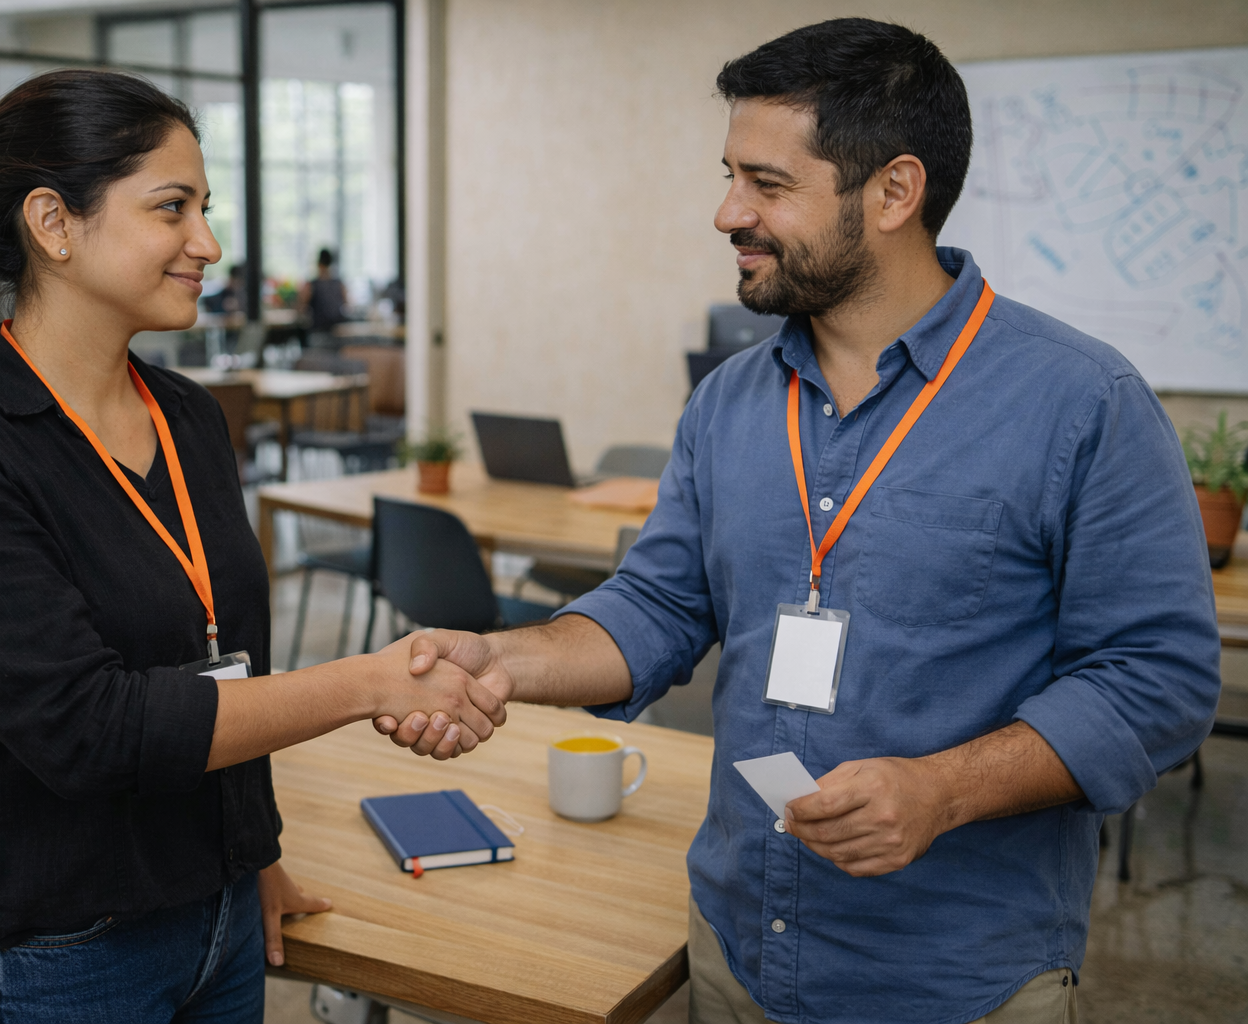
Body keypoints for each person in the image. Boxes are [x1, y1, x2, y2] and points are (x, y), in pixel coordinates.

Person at [376, 18, 1220, 1024]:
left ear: (894, 192)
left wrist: (943, 790)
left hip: (958, 980)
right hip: (736, 951)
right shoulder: (731, 402)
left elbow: (1158, 678)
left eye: (768, 184)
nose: (728, 210)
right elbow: (655, 606)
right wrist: (502, 660)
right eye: (730, 174)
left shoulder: (1084, 404)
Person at [0, 69, 502, 1023]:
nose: (207, 244)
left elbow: (219, 660)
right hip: (47, 948)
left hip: (219, 918)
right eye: (173, 209)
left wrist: (256, 855)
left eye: (203, 208)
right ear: (54, 223)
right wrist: (371, 682)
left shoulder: (188, 416)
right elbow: (89, 729)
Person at [299, 247, 349, 334]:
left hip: (318, 332)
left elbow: (301, 307)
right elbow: (347, 304)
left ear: (318, 264)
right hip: (337, 330)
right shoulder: (339, 284)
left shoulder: (311, 285)